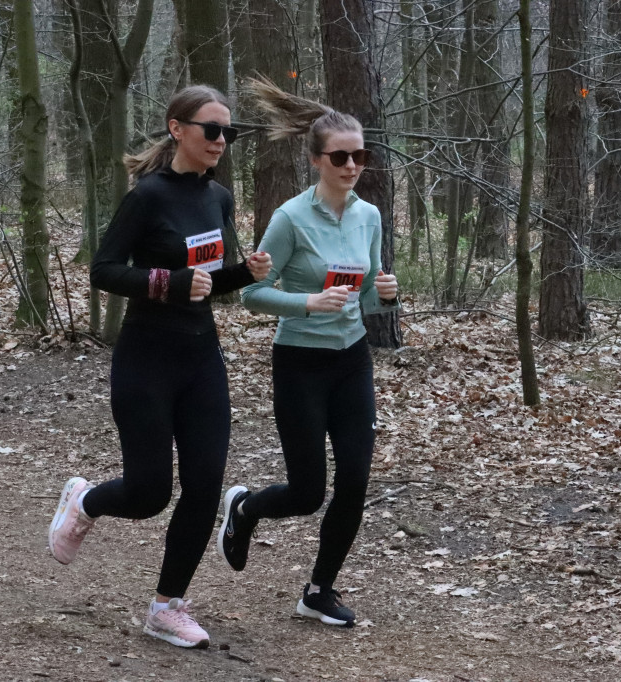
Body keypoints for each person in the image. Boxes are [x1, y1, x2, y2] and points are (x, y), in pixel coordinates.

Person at [47, 85, 271, 650]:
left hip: (201, 357)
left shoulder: (218, 199)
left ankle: (166, 607)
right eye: (211, 129)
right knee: (149, 494)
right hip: (146, 355)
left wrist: (245, 273)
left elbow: (207, 282)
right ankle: (86, 500)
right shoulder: (147, 196)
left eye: (229, 132)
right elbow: (103, 270)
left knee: (203, 486)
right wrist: (164, 283)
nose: (222, 140)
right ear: (178, 129)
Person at [216, 78, 399, 628]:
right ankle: (245, 506)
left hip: (351, 360)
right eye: (340, 157)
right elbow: (250, 295)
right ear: (317, 160)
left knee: (356, 481)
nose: (351, 165)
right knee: (306, 491)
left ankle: (319, 590)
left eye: (359, 155)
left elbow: (363, 294)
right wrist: (307, 302)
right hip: (299, 361)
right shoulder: (290, 218)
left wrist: (383, 293)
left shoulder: (368, 216)